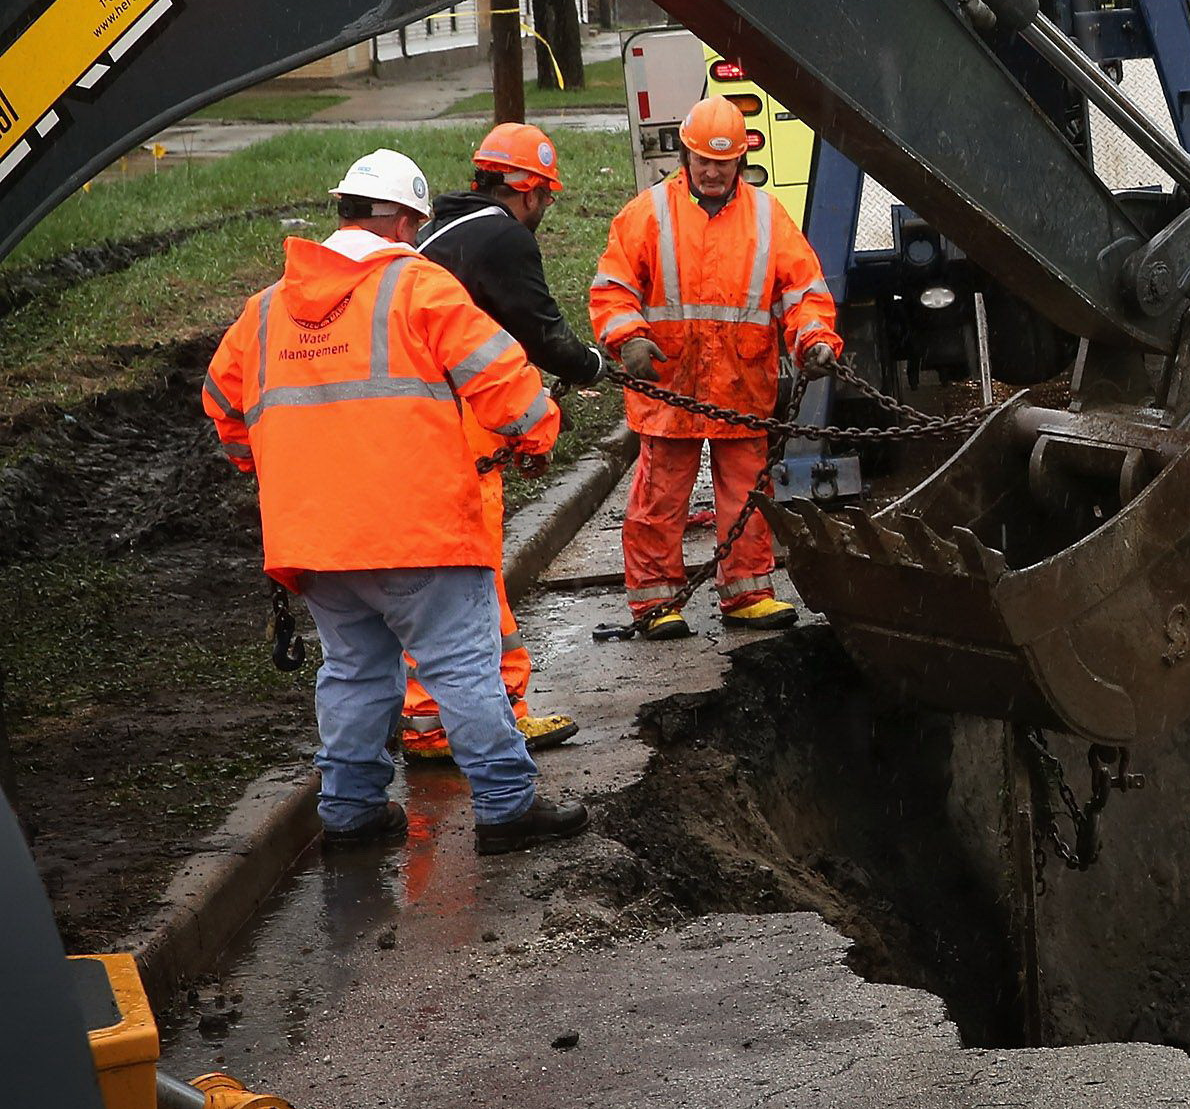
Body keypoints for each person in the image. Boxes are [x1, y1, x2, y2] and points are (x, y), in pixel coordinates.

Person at [201, 149, 584, 854]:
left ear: (343, 212)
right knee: (462, 669)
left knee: (352, 673)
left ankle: (349, 816)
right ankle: (506, 807)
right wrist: (537, 439)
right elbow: (508, 382)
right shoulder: (419, 287)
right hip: (420, 531)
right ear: (406, 220)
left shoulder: (265, 310)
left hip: (316, 542)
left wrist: (270, 465)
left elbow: (224, 407)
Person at [590, 97, 842, 637]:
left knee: (747, 495)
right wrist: (628, 340)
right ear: (686, 155)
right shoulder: (648, 214)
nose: (711, 171)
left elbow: (804, 293)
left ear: (739, 160)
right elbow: (612, 291)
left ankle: (747, 591)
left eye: (721, 163)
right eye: (703, 160)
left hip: (740, 382)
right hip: (671, 383)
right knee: (660, 497)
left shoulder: (767, 218)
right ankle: (657, 602)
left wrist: (815, 339)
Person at [390, 124, 601, 761]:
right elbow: (539, 337)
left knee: (431, 585)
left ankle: (429, 724)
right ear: (530, 190)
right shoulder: (502, 238)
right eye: (547, 198)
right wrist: (592, 366)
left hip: (416, 427)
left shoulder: (442, 228)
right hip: (459, 434)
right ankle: (500, 715)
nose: (544, 212)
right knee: (473, 578)